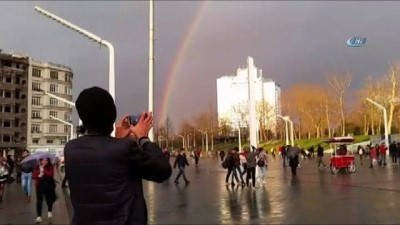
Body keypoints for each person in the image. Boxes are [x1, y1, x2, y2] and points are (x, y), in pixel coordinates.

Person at [64, 86, 172, 225]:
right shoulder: (125, 149)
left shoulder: (71, 149)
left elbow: (106, 165)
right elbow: (163, 170)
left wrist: (118, 139)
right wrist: (143, 137)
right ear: (111, 115)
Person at [32, 158, 57, 223]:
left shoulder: (50, 166)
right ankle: (39, 216)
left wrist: (43, 170)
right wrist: (38, 175)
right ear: (40, 161)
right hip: (39, 185)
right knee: (39, 200)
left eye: (46, 160)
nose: (45, 162)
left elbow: (51, 174)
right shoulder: (37, 166)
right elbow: (34, 175)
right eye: (43, 160)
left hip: (49, 185)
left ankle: (49, 211)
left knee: (49, 199)